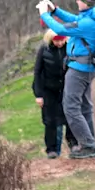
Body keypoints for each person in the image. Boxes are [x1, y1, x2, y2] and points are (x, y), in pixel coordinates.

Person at [37, 0, 95, 159]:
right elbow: (72, 19)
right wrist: (55, 10)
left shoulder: (87, 23)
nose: (76, 2)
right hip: (86, 68)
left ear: (85, 2)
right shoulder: (90, 16)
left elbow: (62, 30)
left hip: (79, 69)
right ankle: (89, 141)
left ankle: (88, 145)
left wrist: (44, 15)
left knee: (70, 107)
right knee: (85, 106)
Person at [31, 30, 73, 159]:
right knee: (50, 120)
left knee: (70, 116)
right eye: (56, 41)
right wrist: (38, 95)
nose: (59, 43)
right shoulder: (44, 50)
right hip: (48, 89)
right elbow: (37, 73)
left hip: (66, 88)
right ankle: (52, 149)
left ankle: (74, 144)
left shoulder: (70, 48)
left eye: (62, 40)